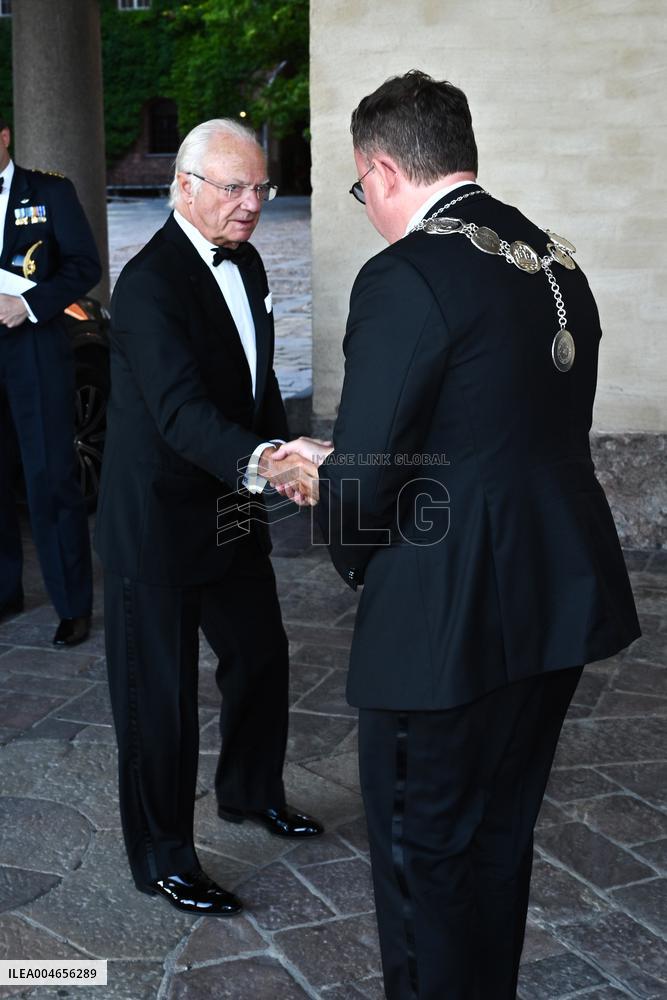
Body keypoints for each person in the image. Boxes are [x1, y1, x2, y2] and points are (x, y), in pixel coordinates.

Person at [274, 72, 641, 998]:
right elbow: (509, 432)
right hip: (552, 600)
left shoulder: (406, 272)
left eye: (363, 192)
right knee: (498, 842)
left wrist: (340, 501)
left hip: (442, 623)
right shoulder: (552, 258)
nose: (368, 209)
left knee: (422, 861)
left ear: (383, 169)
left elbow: (368, 480)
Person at [94, 119, 325, 918]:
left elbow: (254, 383)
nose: (253, 204)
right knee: (157, 701)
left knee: (261, 653)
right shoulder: (150, 283)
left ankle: (249, 792)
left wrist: (277, 448)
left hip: (227, 508)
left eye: (259, 187)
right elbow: (181, 411)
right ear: (184, 187)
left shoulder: (250, 259)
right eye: (234, 188)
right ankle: (162, 857)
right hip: (154, 520)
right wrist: (262, 460)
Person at [0, 115, 100, 647]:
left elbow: (85, 266)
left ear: (4, 137)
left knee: (50, 478)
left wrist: (27, 304)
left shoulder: (50, 191)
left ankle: (72, 604)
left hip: (34, 346)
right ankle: (4, 591)